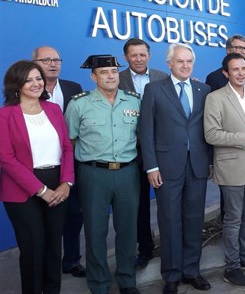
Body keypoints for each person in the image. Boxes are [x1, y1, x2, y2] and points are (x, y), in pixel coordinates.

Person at [139, 43, 212, 294]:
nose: (185, 66)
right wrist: (151, 167)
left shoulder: (204, 90)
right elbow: (146, 131)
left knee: (194, 220)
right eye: (180, 61)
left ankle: (192, 271)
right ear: (169, 63)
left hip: (197, 166)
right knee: (169, 221)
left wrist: (210, 161)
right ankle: (171, 275)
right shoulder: (154, 89)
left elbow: (208, 130)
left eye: (189, 61)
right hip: (166, 167)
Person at [65, 55, 141, 294]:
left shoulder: (133, 101)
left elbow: (142, 136)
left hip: (128, 173)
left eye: (114, 71)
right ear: (93, 76)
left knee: (128, 229)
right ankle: (99, 284)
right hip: (93, 174)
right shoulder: (79, 104)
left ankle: (127, 280)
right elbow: (69, 142)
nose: (111, 76)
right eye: (105, 72)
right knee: (95, 230)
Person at [0, 60, 74, 293]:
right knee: (33, 249)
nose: (36, 83)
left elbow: (67, 148)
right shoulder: (5, 115)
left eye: (38, 78)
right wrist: (41, 191)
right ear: (16, 84)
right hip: (22, 189)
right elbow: (6, 158)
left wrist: (66, 183)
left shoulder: (53, 109)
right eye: (29, 79)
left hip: (58, 182)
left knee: (54, 247)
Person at [203, 53, 245, 288]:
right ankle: (232, 266)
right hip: (231, 166)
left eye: (243, 68)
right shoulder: (215, 98)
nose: (241, 73)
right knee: (233, 219)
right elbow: (211, 134)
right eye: (235, 69)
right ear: (226, 73)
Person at [32, 46, 86, 278]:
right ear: (34, 63)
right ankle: (44, 264)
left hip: (71, 163)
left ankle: (71, 261)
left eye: (56, 60)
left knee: (74, 215)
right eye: (46, 60)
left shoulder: (74, 88)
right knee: (41, 220)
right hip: (39, 166)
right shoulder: (29, 90)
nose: (53, 64)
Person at [118, 38, 169, 269]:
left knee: (166, 200)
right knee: (139, 206)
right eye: (133, 55)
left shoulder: (162, 77)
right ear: (126, 57)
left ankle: (168, 246)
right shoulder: (116, 80)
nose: (138, 59)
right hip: (130, 153)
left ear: (149, 55)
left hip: (160, 151)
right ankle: (145, 249)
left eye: (142, 54)